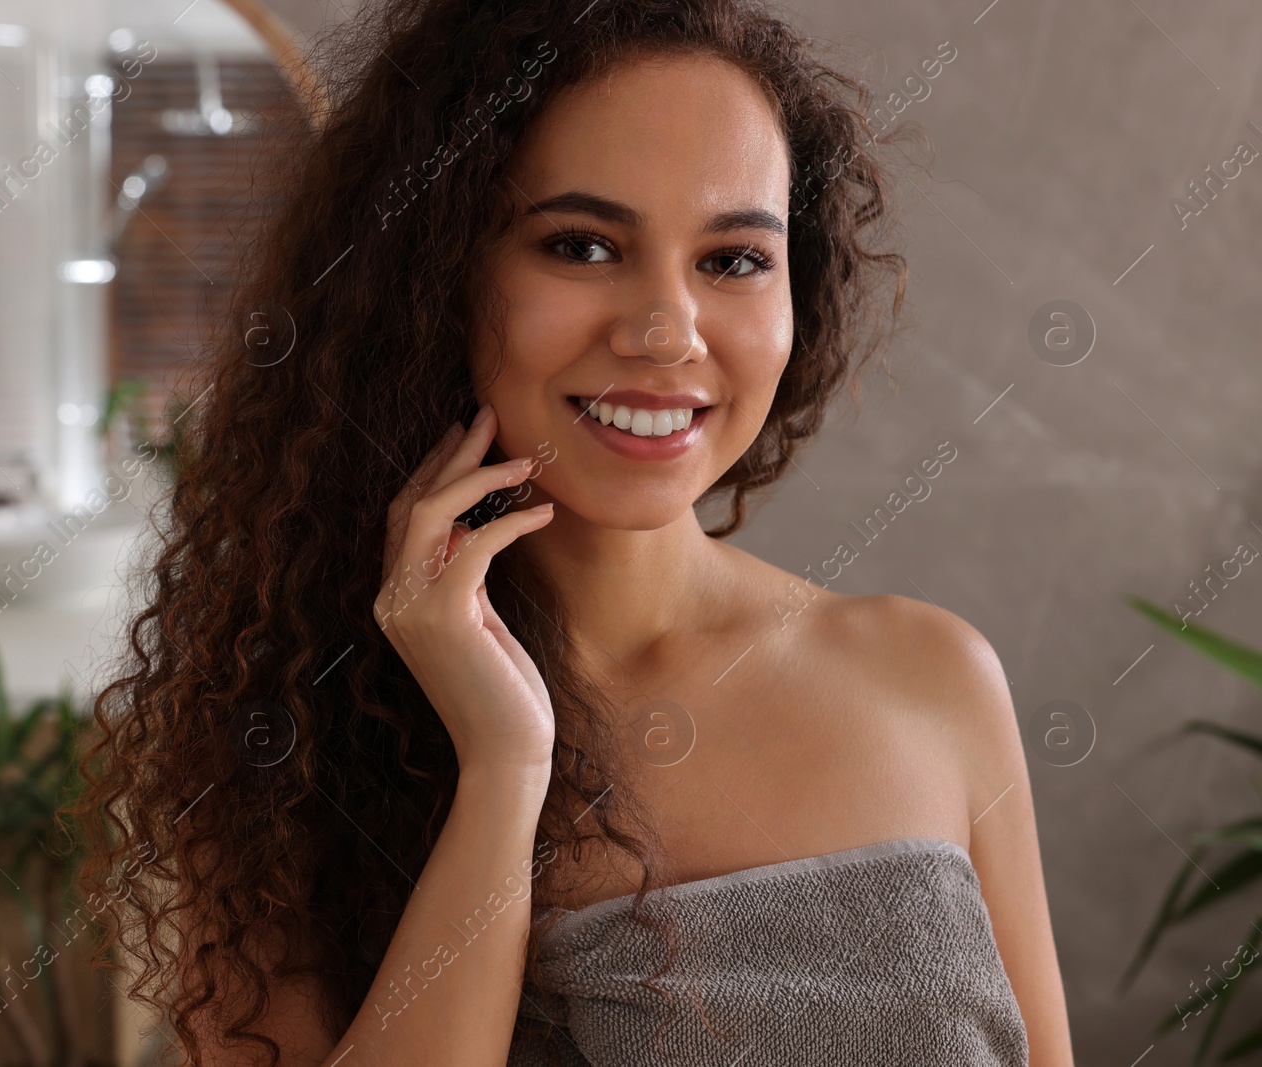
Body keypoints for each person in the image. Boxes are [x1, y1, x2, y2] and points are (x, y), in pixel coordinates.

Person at [79, 1, 1075, 1064]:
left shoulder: (934, 679)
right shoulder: (292, 747)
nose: (664, 330)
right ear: (434, 278)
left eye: (733, 259)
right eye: (583, 245)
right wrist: (505, 766)